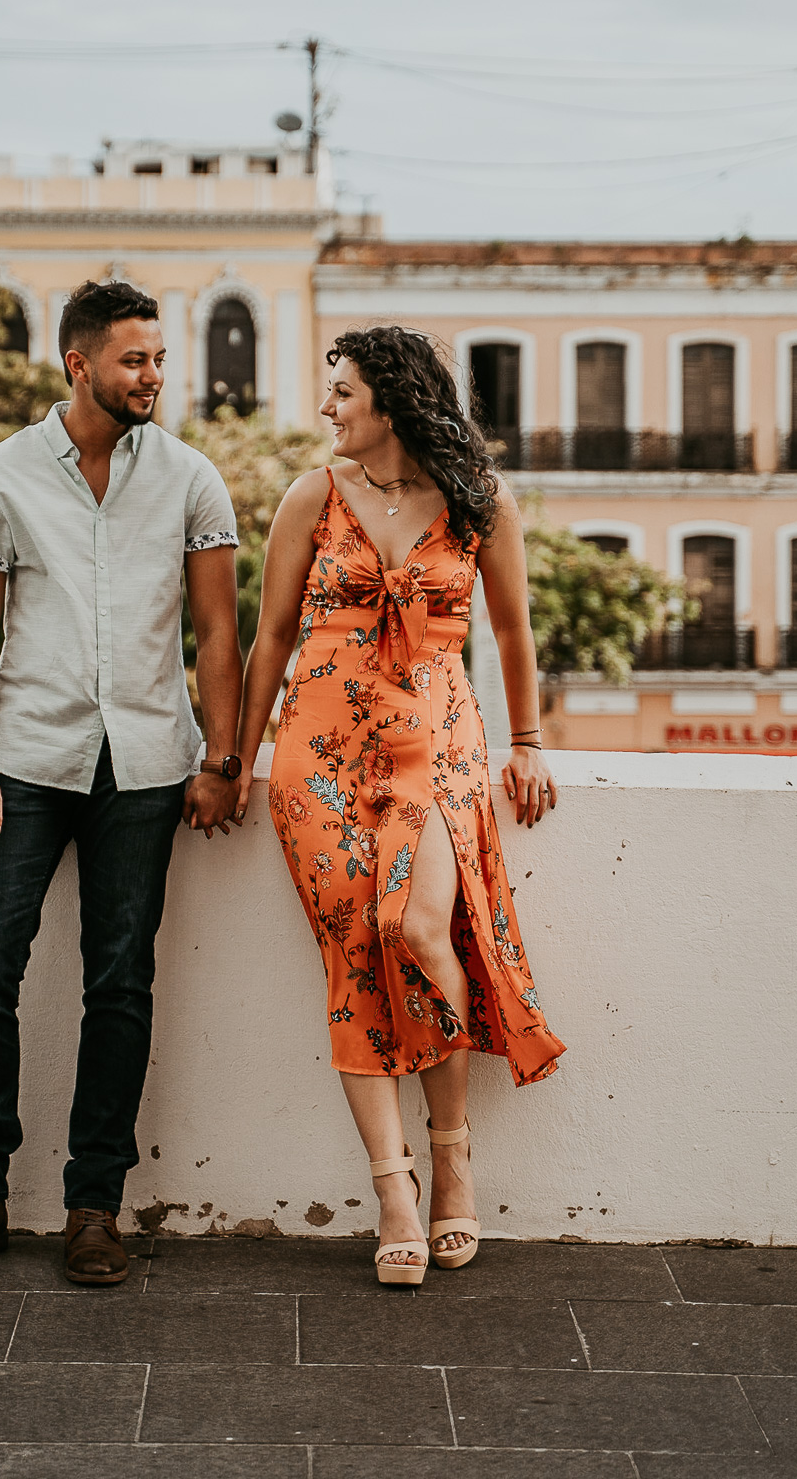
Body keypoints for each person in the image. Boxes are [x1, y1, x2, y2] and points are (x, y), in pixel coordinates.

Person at [0, 279, 244, 1285]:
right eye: (134, 360)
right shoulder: (2, 477)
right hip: (23, 760)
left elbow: (219, 634)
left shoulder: (191, 479)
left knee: (121, 983)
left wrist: (223, 760)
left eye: (158, 360)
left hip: (145, 768)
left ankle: (94, 1208)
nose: (153, 377)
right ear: (79, 363)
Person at [233, 326, 565, 1286]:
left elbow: (512, 630)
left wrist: (529, 742)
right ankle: (395, 1194)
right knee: (350, 954)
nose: (327, 408)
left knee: (421, 930)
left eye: (341, 391)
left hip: (435, 745)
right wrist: (234, 758)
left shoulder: (476, 501)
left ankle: (452, 1155)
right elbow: (268, 641)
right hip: (319, 759)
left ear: (392, 401)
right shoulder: (311, 496)